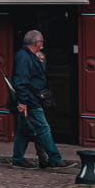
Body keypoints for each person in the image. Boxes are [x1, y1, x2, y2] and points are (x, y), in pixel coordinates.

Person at [9, 29, 69, 169]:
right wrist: (23, 102)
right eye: (41, 41)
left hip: (32, 97)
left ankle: (18, 159)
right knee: (43, 128)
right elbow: (21, 80)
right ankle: (55, 158)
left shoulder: (31, 56)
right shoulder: (24, 56)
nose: (43, 43)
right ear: (36, 42)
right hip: (31, 99)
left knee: (23, 130)